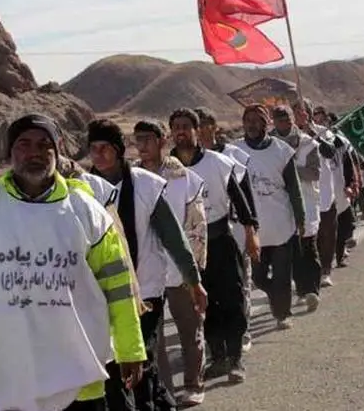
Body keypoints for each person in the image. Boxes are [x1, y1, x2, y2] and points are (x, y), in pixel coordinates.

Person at [0, 114, 144, 411]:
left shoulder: (86, 212)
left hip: (79, 375)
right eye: (24, 144)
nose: (34, 152)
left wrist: (130, 349)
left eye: (44, 144)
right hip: (12, 377)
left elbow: (119, 288)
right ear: (10, 152)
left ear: (57, 152)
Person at [88, 118, 206, 411]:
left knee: (142, 363)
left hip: (146, 294)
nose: (99, 155)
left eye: (105, 148)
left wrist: (194, 281)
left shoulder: (145, 185)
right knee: (116, 370)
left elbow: (174, 238)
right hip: (103, 296)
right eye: (93, 149)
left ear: (118, 150)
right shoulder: (83, 190)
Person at [168, 108, 259, 388]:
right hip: (189, 250)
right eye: (176, 127)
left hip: (220, 240)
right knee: (202, 305)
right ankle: (216, 355)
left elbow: (239, 197)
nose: (181, 131)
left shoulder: (218, 162)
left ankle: (235, 358)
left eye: (186, 126)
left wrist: (250, 231)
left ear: (198, 130)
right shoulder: (166, 168)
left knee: (231, 298)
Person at [132, 120, 209, 408]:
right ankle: (163, 391)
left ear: (162, 140)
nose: (143, 146)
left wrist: (195, 272)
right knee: (155, 340)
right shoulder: (132, 179)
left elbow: (197, 225)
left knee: (189, 329)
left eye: (148, 139)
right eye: (138, 140)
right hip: (148, 274)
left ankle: (193, 383)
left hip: (179, 271)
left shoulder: (184, 178)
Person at [234, 105, 305, 330]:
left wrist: (301, 217)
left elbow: (294, 188)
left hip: (281, 224)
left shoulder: (281, 150)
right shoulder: (233, 151)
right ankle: (278, 299)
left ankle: (282, 313)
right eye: (248, 120)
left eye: (257, 120)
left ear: (267, 124)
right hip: (252, 231)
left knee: (283, 275)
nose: (252, 124)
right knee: (258, 278)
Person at [193, 107, 257, 354]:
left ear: (214, 127)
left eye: (205, 124)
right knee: (208, 298)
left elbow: (243, 195)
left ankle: (239, 338)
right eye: (196, 125)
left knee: (238, 288)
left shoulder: (227, 158)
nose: (201, 130)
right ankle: (217, 350)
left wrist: (252, 228)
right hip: (197, 244)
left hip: (230, 231)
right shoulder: (176, 167)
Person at [269, 104, 322, 311]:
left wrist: (290, 171)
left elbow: (314, 173)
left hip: (306, 202)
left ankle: (311, 290)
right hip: (279, 205)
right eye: (279, 118)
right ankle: (299, 290)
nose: (284, 122)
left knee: (308, 247)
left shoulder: (308, 144)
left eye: (287, 118)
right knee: (288, 251)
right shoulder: (267, 146)